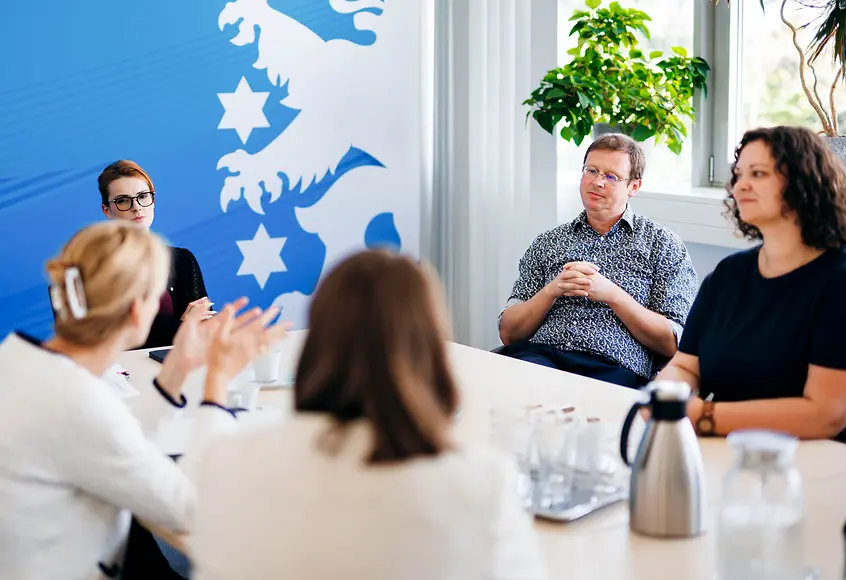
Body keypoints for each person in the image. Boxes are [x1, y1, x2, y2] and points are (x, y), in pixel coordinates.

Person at [190, 251, 545, 580]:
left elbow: (200, 465)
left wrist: (216, 381)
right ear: (431, 345)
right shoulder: (480, 481)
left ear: (319, 339)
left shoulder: (231, 461)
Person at [0, 221, 289, 579]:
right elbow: (193, 511)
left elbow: (116, 444)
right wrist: (217, 381)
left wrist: (176, 371)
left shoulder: (16, 359)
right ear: (139, 310)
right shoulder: (79, 404)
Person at [657, 126, 846, 448]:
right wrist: (667, 397)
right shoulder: (728, 275)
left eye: (758, 173)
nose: (741, 185)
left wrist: (705, 415)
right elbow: (686, 364)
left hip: (824, 460)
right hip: (730, 450)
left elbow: (826, 414)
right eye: (739, 174)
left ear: (804, 183)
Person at [498, 134, 698, 388]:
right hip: (541, 359)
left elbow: (672, 342)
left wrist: (613, 295)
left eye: (611, 176)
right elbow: (509, 332)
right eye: (591, 170)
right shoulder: (548, 242)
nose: (597, 182)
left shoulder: (663, 245)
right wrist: (552, 290)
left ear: (634, 187)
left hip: (612, 370)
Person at [98, 159, 210, 349]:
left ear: (153, 201)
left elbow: (204, 324)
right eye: (123, 200)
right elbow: (123, 335)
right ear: (107, 211)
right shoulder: (99, 265)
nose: (136, 207)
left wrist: (182, 327)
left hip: (180, 364)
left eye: (143, 196)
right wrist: (183, 326)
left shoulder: (183, 259)